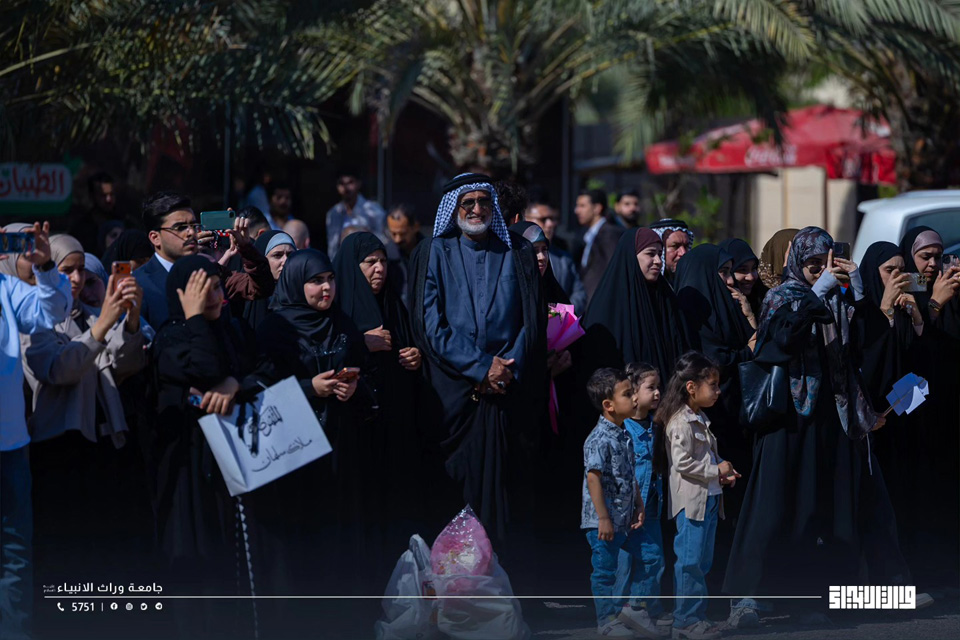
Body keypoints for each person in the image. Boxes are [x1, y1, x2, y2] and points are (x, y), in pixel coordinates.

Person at [723, 227, 904, 613]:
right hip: (790, 417)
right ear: (796, 263)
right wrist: (814, 295)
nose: (821, 270)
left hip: (832, 415)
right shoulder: (780, 297)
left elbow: (868, 345)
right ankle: (752, 594)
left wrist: (858, 293)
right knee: (775, 504)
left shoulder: (840, 300)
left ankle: (822, 597)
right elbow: (780, 343)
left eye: (827, 263)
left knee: (827, 507)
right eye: (812, 264)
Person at [409, 173, 546, 540]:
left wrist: (505, 369)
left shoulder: (518, 252)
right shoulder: (433, 252)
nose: (476, 209)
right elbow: (430, 326)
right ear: (453, 207)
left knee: (507, 492)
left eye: (484, 201)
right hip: (453, 392)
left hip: (508, 388)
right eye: (467, 202)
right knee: (453, 495)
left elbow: (531, 320)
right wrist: (482, 368)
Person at [21, 235, 148, 593]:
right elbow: (58, 369)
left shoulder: (90, 315)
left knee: (103, 548)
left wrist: (131, 320)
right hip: (59, 447)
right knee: (66, 550)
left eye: (81, 270)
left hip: (101, 443)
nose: (76, 279)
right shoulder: (34, 320)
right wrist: (102, 326)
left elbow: (123, 366)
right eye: (66, 270)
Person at [150, 256, 262, 638]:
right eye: (203, 290)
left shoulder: (231, 330)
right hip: (190, 468)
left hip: (233, 463)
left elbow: (261, 368)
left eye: (217, 287)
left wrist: (236, 383)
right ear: (182, 294)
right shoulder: (170, 338)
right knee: (200, 568)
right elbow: (205, 370)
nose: (214, 296)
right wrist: (195, 318)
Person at [254, 249, 364, 595]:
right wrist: (309, 388)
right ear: (296, 283)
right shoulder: (275, 329)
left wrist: (354, 386)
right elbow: (259, 389)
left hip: (339, 441)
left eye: (330, 279)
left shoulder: (341, 321)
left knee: (338, 531)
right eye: (316, 281)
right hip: (294, 449)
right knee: (301, 534)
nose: (327, 288)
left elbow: (364, 368)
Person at [333, 231, 423, 585]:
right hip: (356, 432)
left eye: (383, 261)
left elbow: (409, 345)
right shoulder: (338, 310)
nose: (379, 269)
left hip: (393, 430)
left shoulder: (392, 305)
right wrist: (361, 343)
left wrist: (414, 356)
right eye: (369, 262)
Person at [0, 222, 70, 640]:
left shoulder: (6, 289)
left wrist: (45, 266)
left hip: (9, 446)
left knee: (14, 559)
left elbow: (52, 313)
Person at [659, 352, 738, 640]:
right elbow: (682, 463)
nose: (718, 391)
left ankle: (695, 617)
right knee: (689, 563)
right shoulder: (680, 421)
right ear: (691, 387)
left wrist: (723, 472)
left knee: (701, 563)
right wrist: (716, 470)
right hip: (692, 505)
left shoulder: (700, 417)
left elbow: (704, 457)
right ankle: (685, 621)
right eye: (713, 385)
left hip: (709, 500)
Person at [897, 226, 960, 585]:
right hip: (915, 410)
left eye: (939, 256)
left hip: (948, 407)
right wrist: (934, 305)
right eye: (925, 257)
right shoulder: (906, 291)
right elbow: (913, 352)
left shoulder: (950, 291)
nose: (934, 264)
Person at [580, 368, 648, 639]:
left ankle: (632, 611)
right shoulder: (599, 438)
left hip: (624, 518)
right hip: (604, 523)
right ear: (608, 405)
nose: (635, 398)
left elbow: (629, 474)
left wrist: (639, 504)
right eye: (628, 394)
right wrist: (603, 518)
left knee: (650, 557)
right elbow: (593, 478)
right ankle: (606, 621)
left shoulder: (624, 434)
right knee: (605, 572)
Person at [581, 228, 688, 387]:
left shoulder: (665, 299)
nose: (658, 261)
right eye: (650, 254)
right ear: (632, 256)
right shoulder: (609, 304)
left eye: (660, 254)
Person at [618, 362, 670, 636]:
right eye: (651, 387)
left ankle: (645, 607)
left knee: (653, 559)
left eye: (659, 386)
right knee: (627, 562)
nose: (658, 392)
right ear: (634, 394)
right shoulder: (623, 429)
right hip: (627, 510)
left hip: (650, 507)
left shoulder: (656, 426)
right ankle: (623, 610)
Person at [135, 192, 208, 328]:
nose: (191, 233)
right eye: (180, 227)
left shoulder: (207, 273)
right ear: (155, 238)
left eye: (194, 225)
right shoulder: (139, 285)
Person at [524, 193, 586, 311]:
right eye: (543, 219)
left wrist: (560, 313)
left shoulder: (564, 258)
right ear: (526, 219)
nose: (550, 224)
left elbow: (579, 293)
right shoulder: (515, 256)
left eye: (552, 219)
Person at [575, 189, 624, 304]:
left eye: (582, 206)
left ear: (597, 208)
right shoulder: (588, 235)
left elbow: (614, 272)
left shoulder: (609, 234)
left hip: (602, 303)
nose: (577, 210)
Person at [325, 169, 387, 259]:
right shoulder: (333, 213)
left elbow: (385, 240)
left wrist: (368, 234)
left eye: (350, 182)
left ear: (358, 183)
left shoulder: (373, 210)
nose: (346, 188)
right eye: (342, 183)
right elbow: (332, 248)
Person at [241, 230, 296, 330]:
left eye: (290, 254)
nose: (285, 261)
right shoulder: (244, 295)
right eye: (277, 255)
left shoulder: (303, 293)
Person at [69, 171, 122, 253]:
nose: (108, 199)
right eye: (103, 195)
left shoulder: (124, 222)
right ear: (92, 196)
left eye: (111, 194)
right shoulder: (81, 229)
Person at [384, 205, 424, 307]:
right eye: (393, 234)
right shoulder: (385, 256)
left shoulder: (430, 252)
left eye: (403, 234)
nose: (397, 239)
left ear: (415, 227)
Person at [718, 238, 766, 322]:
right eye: (742, 270)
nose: (751, 277)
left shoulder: (762, 300)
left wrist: (750, 315)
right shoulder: (717, 309)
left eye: (754, 268)